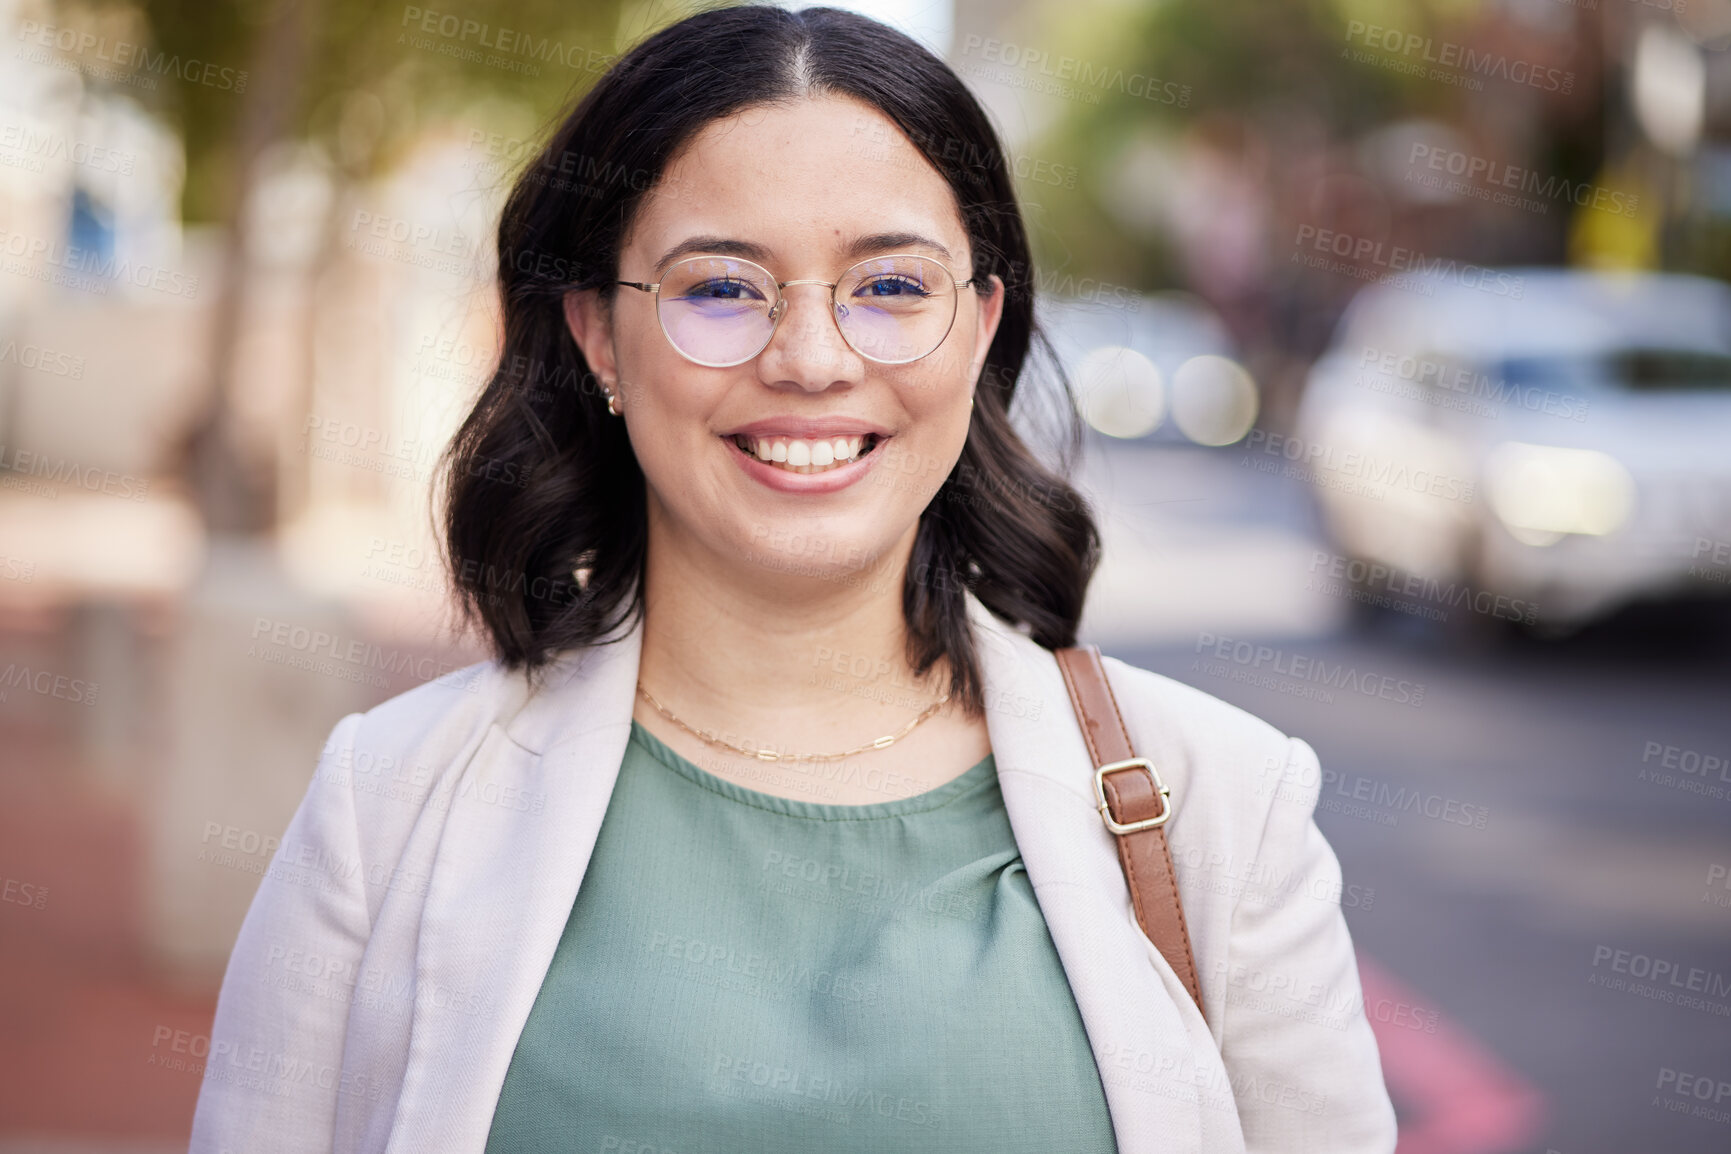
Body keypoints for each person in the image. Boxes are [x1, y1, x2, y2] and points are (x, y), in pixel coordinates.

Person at [190, 6, 1396, 1151]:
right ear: (598, 336)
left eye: (890, 287)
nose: (812, 359)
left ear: (979, 330)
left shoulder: (1223, 804)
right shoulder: (387, 804)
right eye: (721, 287)